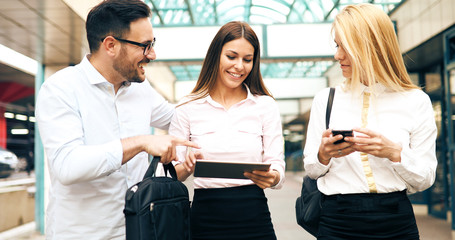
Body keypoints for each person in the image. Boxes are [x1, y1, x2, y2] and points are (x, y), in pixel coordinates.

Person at [35, 0, 198, 239]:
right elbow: (67, 165)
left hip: (138, 231)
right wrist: (140, 143)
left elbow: (183, 120)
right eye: (145, 45)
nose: (152, 54)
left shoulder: (141, 90)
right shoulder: (61, 89)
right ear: (110, 45)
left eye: (152, 44)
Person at [303, 3, 437, 240]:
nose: (337, 55)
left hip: (396, 222)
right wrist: (323, 155)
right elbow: (312, 171)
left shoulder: (416, 101)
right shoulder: (326, 99)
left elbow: (425, 179)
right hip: (337, 222)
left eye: (346, 46)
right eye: (337, 45)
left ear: (373, 47)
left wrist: (395, 153)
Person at [168, 21, 285, 240]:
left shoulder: (265, 106)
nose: (239, 66)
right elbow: (173, 175)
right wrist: (188, 165)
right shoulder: (187, 107)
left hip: (255, 215)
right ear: (216, 56)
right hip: (206, 218)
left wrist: (272, 177)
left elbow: (277, 165)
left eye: (247, 60)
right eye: (231, 57)